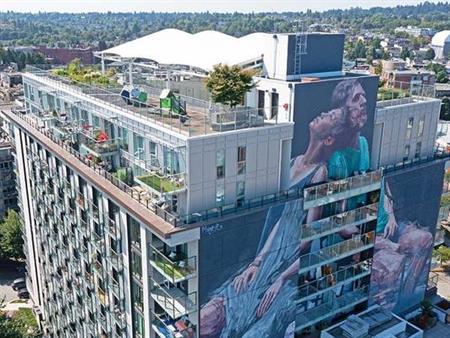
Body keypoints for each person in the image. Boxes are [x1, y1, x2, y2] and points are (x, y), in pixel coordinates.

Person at [200, 101, 356, 338]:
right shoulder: (293, 162)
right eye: (327, 110)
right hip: (269, 257)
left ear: (329, 139)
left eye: (330, 116)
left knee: (234, 320)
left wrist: (282, 277)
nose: (323, 112)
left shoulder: (320, 174)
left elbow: (308, 237)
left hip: (287, 261)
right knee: (210, 315)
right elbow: (281, 221)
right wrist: (257, 262)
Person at [370, 181, 433, 311]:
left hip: (391, 229)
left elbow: (387, 195)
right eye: (408, 247)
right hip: (376, 237)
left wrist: (391, 215)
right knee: (392, 265)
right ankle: (385, 297)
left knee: (425, 240)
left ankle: (400, 296)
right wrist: (388, 244)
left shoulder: (381, 179)